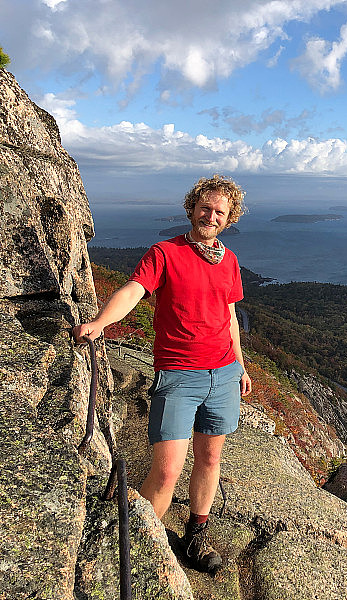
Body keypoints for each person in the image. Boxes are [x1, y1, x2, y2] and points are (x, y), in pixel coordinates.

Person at [73, 174, 252, 575]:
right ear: (191, 208)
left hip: (223, 374)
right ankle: (140, 545)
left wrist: (239, 364)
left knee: (210, 457)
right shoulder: (165, 252)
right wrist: (100, 323)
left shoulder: (229, 261)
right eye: (204, 208)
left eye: (219, 212)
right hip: (178, 375)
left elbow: (229, 315)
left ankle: (194, 534)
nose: (210, 216)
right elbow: (135, 290)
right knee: (168, 468)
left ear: (228, 218)